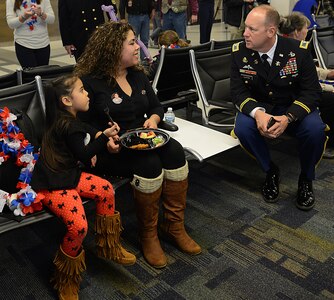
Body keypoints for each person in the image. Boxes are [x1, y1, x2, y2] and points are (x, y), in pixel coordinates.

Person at [74, 21, 201, 269]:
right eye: (132, 43)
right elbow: (80, 123)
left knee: (175, 151)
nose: (138, 47)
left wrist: (154, 120)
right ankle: (149, 235)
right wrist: (103, 137)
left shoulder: (138, 74)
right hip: (109, 150)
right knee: (150, 163)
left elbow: (156, 107)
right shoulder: (90, 82)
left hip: (144, 140)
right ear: (112, 49)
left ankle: (173, 226)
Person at [30, 75, 136, 299]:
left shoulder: (63, 118)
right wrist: (103, 137)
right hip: (51, 184)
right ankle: (65, 278)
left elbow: (84, 127)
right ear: (67, 101)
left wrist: (96, 133)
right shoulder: (68, 126)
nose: (87, 93)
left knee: (106, 189)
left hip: (68, 174)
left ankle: (109, 245)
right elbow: (85, 154)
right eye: (81, 90)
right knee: (78, 227)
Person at [230, 5, 326, 211]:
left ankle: (306, 179)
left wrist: (289, 117)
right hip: (262, 108)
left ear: (271, 31)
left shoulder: (298, 51)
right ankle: (270, 170)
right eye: (245, 27)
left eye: (252, 29)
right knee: (243, 128)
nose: (245, 33)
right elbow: (238, 93)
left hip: (294, 108)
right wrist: (257, 113)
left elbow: (312, 92)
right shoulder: (240, 52)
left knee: (315, 129)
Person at [279, 11, 334, 159]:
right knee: (330, 100)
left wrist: (327, 74)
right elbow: (302, 82)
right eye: (305, 29)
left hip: (301, 90)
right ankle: (327, 143)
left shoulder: (293, 45)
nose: (307, 32)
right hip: (295, 95)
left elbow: (309, 70)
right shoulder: (292, 49)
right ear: (297, 32)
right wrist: (330, 86)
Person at [6, 0, 55, 68]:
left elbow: (52, 20)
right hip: (23, 43)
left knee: (43, 75)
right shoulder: (11, 1)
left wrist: (41, 14)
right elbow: (11, 24)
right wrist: (23, 17)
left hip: (43, 43)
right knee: (30, 76)